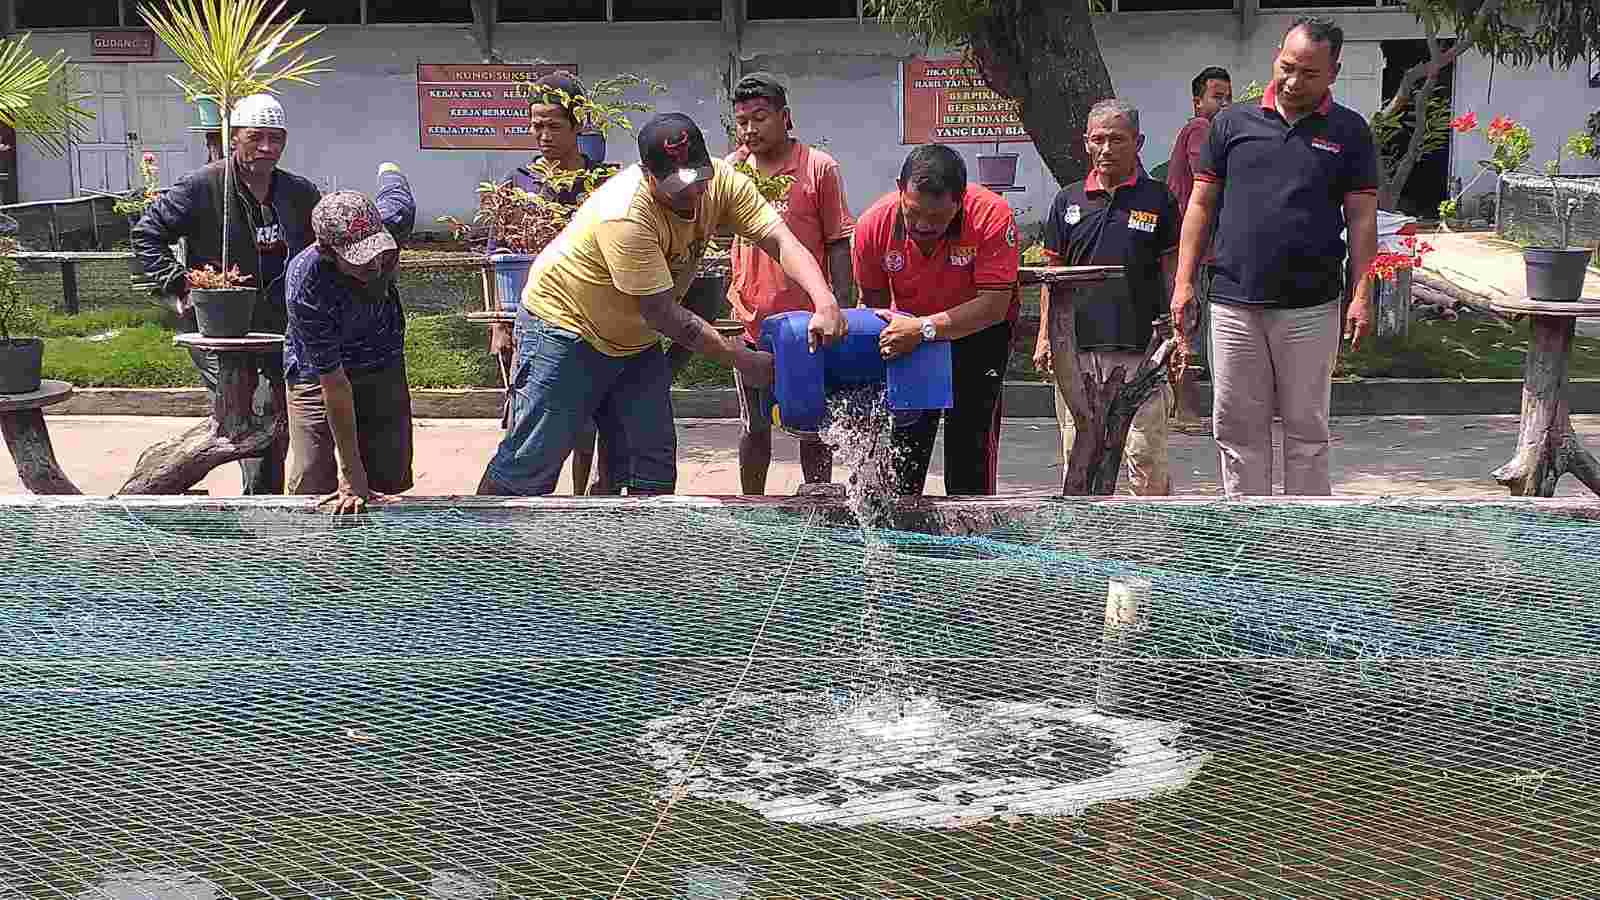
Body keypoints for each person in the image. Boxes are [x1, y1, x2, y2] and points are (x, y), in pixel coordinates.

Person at [476, 113, 847, 496]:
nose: (692, 194)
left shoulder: (721, 181)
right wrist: (742, 359)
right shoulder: (625, 214)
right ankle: (477, 546)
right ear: (647, 174)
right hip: (565, 328)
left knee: (650, 468)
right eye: (676, 186)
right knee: (529, 464)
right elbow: (664, 314)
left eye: (697, 179)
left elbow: (781, 241)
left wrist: (825, 301)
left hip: (633, 338)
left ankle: (631, 555)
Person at [1173, 16, 1379, 497]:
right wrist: (1184, 282)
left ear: (1333, 72)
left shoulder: (1349, 131)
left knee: (1306, 433)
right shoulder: (1230, 124)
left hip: (1311, 308)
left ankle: (1303, 544)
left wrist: (1362, 294)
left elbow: (1363, 220)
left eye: (1308, 73)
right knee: (1238, 431)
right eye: (1286, 67)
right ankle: (1248, 540)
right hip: (1233, 304)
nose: (1292, 81)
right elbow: (1200, 206)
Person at [132, 93, 320, 495]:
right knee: (250, 413)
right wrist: (179, 282)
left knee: (274, 419)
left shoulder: (298, 193)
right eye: (256, 137)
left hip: (278, 327)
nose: (267, 148)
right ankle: (259, 506)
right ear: (234, 137)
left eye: (276, 138)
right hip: (219, 329)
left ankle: (263, 504)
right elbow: (148, 234)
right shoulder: (204, 186)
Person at [852, 144, 1020, 497]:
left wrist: (925, 328)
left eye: (937, 218)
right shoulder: (872, 225)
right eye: (913, 214)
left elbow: (994, 305)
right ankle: (903, 540)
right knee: (904, 454)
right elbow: (873, 307)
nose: (923, 226)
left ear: (960, 200)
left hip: (978, 335)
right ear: (900, 188)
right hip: (907, 336)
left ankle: (973, 541)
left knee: (970, 451)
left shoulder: (992, 214)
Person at [1036, 99, 1180, 496]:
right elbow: (1054, 277)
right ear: (1086, 143)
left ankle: (1149, 545)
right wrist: (1045, 336)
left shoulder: (1159, 200)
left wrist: (1176, 335)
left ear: (1139, 142)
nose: (1106, 148)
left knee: (1145, 454)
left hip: (1141, 348)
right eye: (1098, 139)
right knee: (1079, 454)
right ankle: (1085, 547)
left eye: (1117, 139)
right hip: (1077, 350)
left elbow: (1171, 271)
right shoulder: (1067, 202)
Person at [725, 72, 855, 494]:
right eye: (742, 120)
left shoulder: (819, 167)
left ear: (785, 118)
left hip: (807, 326)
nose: (750, 129)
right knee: (754, 426)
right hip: (751, 323)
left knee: (813, 424)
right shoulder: (733, 172)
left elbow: (838, 244)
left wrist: (841, 307)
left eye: (760, 117)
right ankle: (752, 512)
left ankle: (817, 508)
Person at [489, 71, 611, 492]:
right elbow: (501, 255)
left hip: (594, 316)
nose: (542, 135)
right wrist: (501, 322)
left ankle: (582, 499)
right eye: (536, 125)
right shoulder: (517, 184)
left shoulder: (601, 184)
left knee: (588, 418)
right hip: (533, 318)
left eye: (553, 126)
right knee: (533, 414)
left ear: (579, 125)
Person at [282, 164, 416, 515]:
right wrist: (351, 471)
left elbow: (397, 191)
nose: (374, 265)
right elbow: (335, 384)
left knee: (387, 473)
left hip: (382, 357)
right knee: (315, 475)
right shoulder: (306, 283)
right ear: (327, 251)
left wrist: (388, 169)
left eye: (379, 251)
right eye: (358, 259)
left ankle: (382, 560)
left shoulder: (393, 220)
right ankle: (311, 557)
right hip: (320, 372)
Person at [1166, 65, 1232, 398]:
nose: (1224, 104)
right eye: (1217, 97)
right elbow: (1205, 180)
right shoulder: (1201, 128)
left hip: (1197, 245)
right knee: (1189, 325)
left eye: (1228, 98)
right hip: (1194, 246)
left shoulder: (1207, 129)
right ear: (1197, 102)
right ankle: (1186, 407)